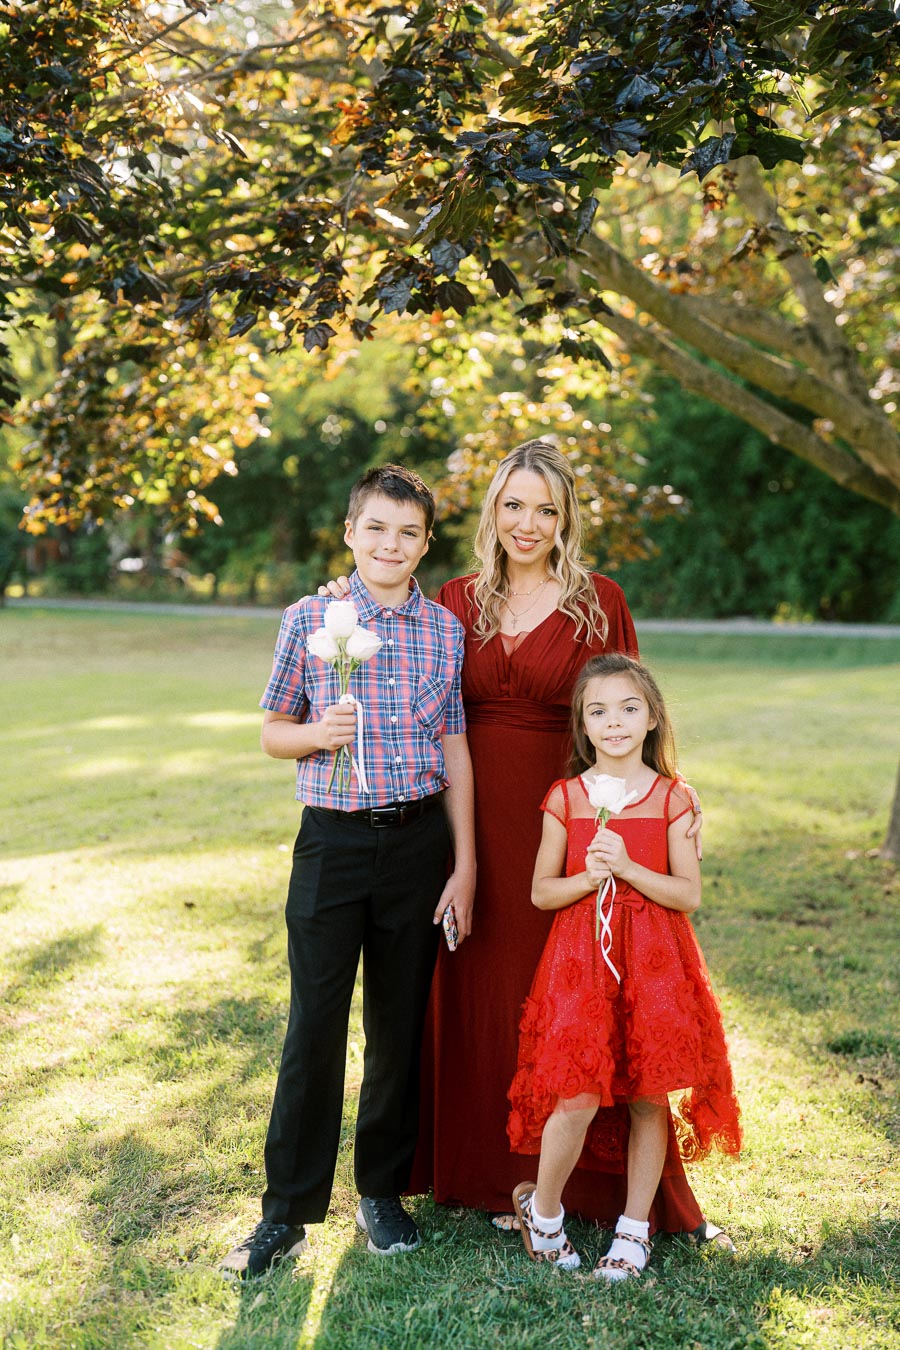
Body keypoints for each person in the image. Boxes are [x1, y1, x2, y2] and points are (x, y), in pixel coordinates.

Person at [323, 439, 732, 1248]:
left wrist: (665, 806)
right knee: (475, 982)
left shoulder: (598, 600)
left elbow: (630, 713)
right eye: (514, 504)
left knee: (580, 998)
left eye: (546, 508)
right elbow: (400, 651)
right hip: (467, 823)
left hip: (571, 825)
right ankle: (476, 1170)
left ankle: (595, 1188)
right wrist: (343, 595)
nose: (528, 523)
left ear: (566, 519)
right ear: (492, 511)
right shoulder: (454, 598)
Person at [220, 464, 476, 1279]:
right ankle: (286, 1215)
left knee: (398, 1026)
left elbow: (455, 750)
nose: (389, 544)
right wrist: (317, 735)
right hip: (330, 843)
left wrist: (464, 864)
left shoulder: (444, 633)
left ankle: (382, 1194)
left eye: (407, 533)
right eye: (375, 528)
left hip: (416, 843)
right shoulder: (310, 619)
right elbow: (271, 732)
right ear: (350, 533)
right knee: (314, 1027)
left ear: (425, 544)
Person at [508, 652, 742, 1280]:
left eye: (629, 708)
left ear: (652, 719)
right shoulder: (566, 798)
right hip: (581, 963)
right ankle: (545, 1212)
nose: (614, 722)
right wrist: (591, 873)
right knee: (579, 1094)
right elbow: (541, 892)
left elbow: (687, 894)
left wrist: (631, 868)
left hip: (656, 965)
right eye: (598, 711)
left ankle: (634, 1229)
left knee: (647, 1094)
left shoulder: (673, 797)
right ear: (583, 727)